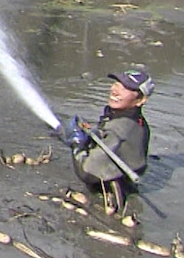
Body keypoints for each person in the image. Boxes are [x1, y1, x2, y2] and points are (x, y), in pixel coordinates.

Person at [64, 68, 153, 213]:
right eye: (116, 83)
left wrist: (77, 145)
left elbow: (86, 172)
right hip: (129, 174)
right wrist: (95, 133)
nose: (115, 90)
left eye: (125, 88)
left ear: (141, 100)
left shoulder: (118, 130)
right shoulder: (135, 120)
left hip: (113, 186)